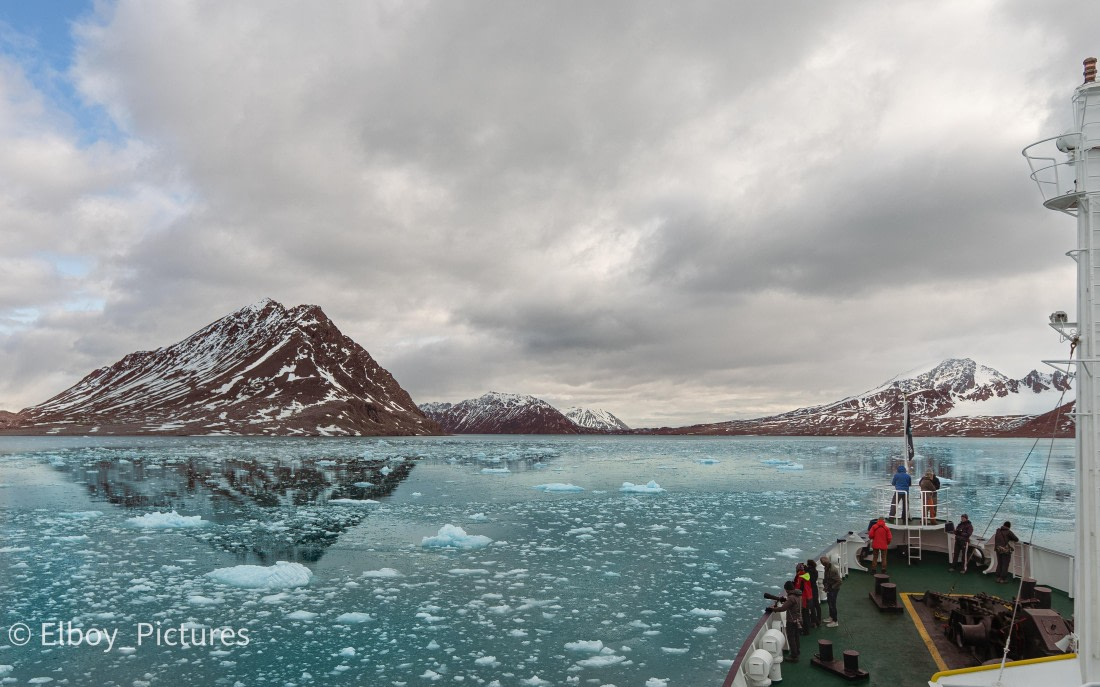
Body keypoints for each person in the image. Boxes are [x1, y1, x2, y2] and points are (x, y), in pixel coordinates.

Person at [764, 581, 802, 662]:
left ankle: (794, 656)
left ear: (787, 589)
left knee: (791, 638)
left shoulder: (791, 598)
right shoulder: (797, 595)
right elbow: (791, 604)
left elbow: (783, 608)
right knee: (796, 637)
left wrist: (773, 609)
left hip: (791, 621)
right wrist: (785, 600)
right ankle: (797, 652)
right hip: (797, 619)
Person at [820, 555, 842, 627]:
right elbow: (827, 578)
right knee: (830, 603)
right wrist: (826, 586)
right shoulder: (827, 567)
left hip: (834, 589)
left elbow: (839, 581)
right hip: (830, 587)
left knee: (832, 604)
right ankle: (831, 617)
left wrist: (832, 588)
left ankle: (835, 621)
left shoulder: (832, 570)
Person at [794, 563, 815, 634]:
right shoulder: (806, 575)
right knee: (807, 613)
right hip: (809, 596)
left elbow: (798, 588)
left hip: (804, 598)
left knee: (804, 614)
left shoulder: (800, 577)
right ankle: (809, 627)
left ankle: (806, 631)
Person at [804, 558, 822, 628]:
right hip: (815, 589)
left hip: (810, 590)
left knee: (812, 606)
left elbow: (807, 578)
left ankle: (814, 621)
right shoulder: (815, 571)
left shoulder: (808, 572)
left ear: (809, 565)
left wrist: (805, 570)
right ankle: (819, 619)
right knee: (817, 605)